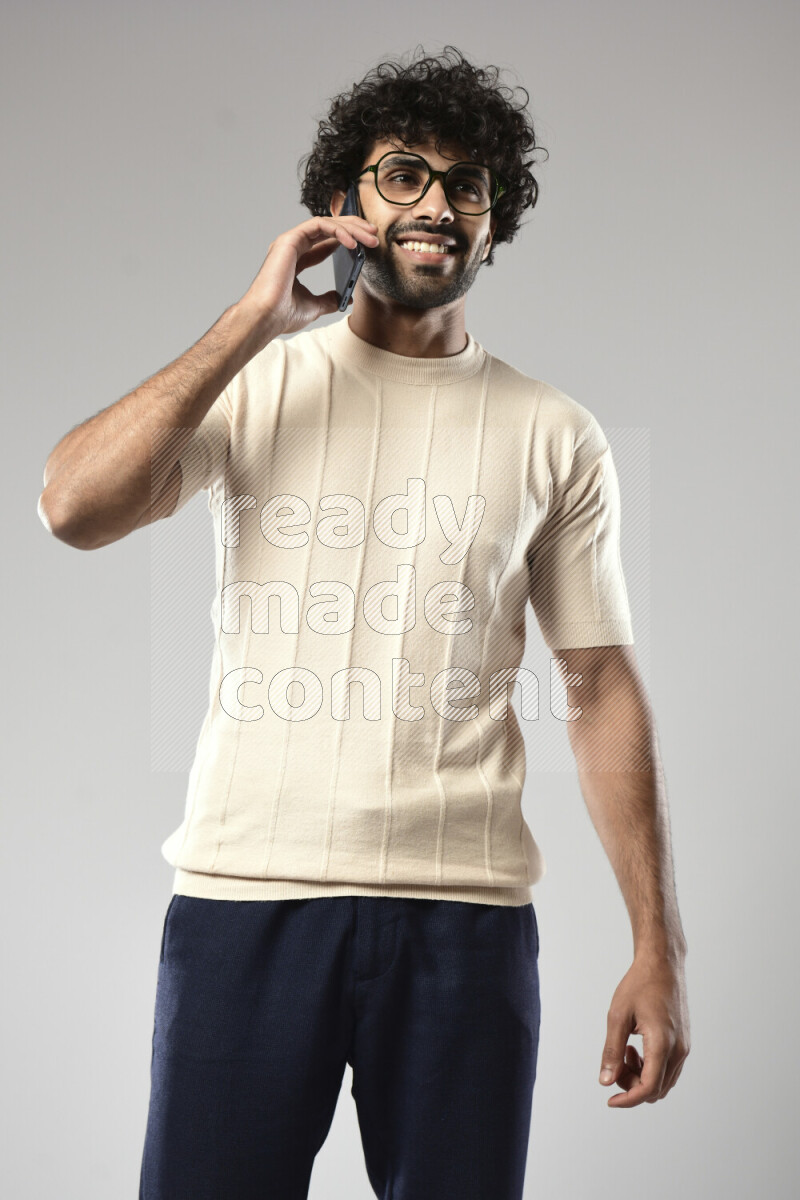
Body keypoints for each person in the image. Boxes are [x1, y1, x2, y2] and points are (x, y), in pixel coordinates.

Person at [38, 44, 689, 1200]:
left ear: (492, 223)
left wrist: (657, 944)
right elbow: (71, 508)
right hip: (247, 903)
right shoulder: (249, 385)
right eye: (402, 175)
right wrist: (251, 321)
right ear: (343, 206)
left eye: (465, 185)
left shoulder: (553, 434)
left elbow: (598, 686)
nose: (435, 204)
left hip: (464, 919)